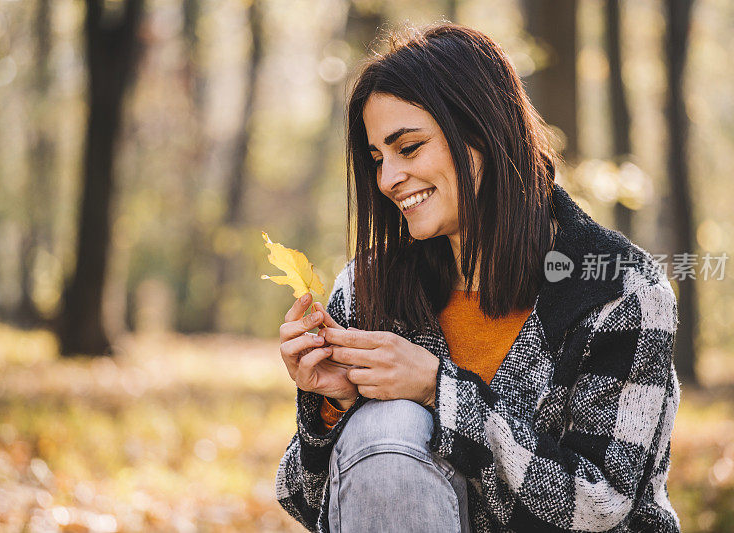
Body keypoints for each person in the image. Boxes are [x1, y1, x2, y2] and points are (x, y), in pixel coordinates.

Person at [275, 22, 681, 533]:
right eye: (377, 158)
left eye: (409, 147)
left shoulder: (620, 290)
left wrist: (438, 392)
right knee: (385, 424)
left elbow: (598, 502)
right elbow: (307, 501)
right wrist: (335, 405)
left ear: (481, 133)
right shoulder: (368, 287)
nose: (387, 179)